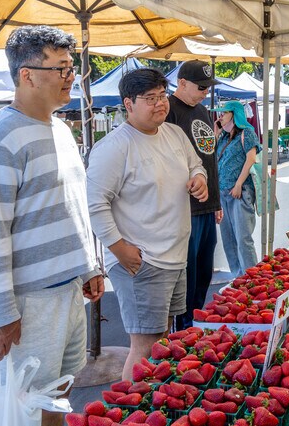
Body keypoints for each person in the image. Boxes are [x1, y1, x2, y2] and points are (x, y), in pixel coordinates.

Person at [0, 25, 104, 426]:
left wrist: (89, 266)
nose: (71, 77)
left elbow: (71, 206)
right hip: (27, 304)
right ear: (26, 75)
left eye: (72, 67)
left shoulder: (60, 128)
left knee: (58, 394)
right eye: (61, 68)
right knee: (27, 405)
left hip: (67, 291)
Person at [86, 68, 208, 380]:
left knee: (162, 340)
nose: (160, 104)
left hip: (174, 255)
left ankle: (150, 401)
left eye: (162, 96)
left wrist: (199, 178)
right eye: (150, 99)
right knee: (144, 346)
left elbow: (196, 164)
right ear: (128, 104)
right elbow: (96, 204)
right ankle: (129, 411)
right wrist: (119, 249)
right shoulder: (114, 147)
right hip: (142, 260)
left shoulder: (174, 134)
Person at [165, 60, 221, 331]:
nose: (205, 92)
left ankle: (195, 319)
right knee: (186, 274)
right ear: (182, 83)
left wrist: (216, 201)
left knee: (204, 270)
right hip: (184, 208)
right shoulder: (167, 110)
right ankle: (183, 327)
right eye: (201, 87)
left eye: (208, 88)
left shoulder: (203, 110)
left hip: (207, 205)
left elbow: (210, 160)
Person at [213, 101, 261, 277]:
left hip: (240, 192)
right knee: (228, 239)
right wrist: (216, 134)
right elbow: (212, 157)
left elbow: (251, 159)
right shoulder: (224, 137)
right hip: (223, 192)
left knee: (243, 238)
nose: (220, 116)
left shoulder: (246, 133)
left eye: (224, 113)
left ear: (234, 114)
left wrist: (239, 183)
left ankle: (251, 277)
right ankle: (237, 276)